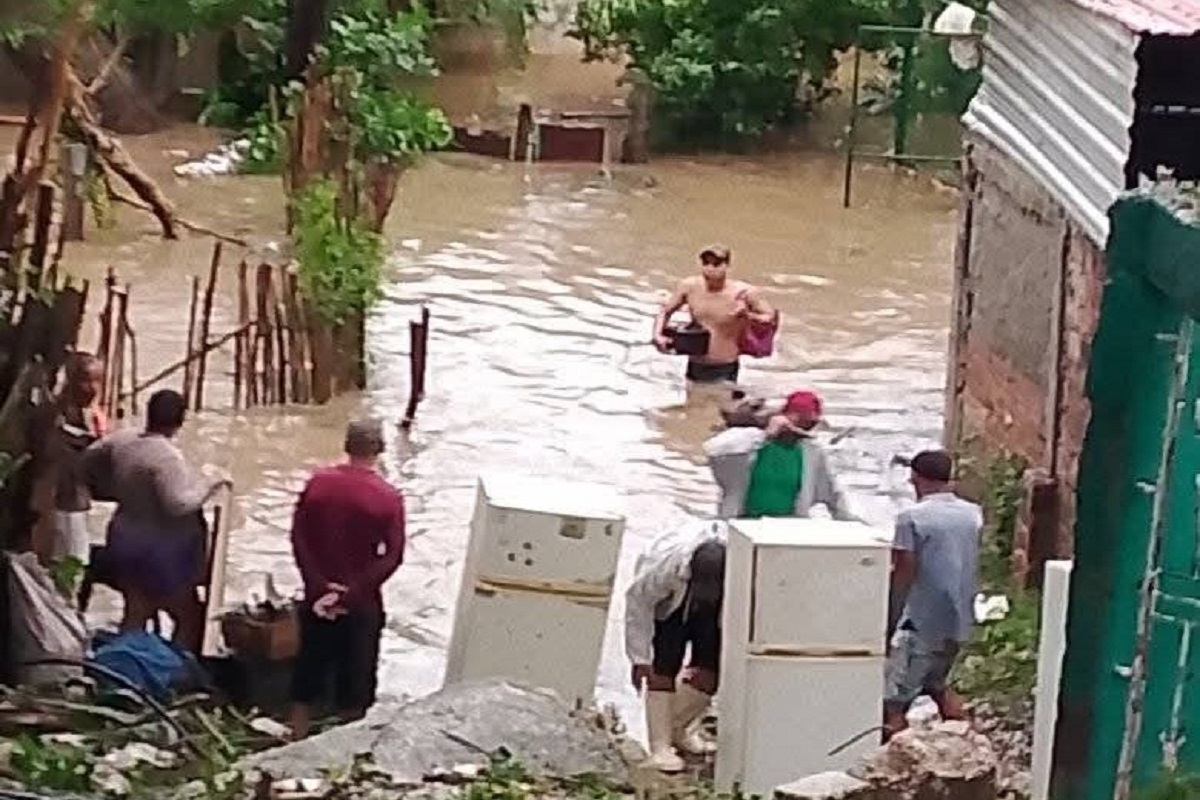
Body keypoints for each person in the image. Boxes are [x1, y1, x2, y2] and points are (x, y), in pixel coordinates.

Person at [80, 389, 229, 653]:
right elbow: (177, 504)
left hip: (123, 538)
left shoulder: (123, 441)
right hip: (156, 552)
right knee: (188, 616)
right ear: (180, 420)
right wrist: (210, 486)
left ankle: (125, 670)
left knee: (135, 610)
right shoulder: (166, 456)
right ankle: (172, 672)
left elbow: (87, 460)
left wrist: (109, 489)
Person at [288, 419, 406, 739]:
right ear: (379, 450)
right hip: (361, 602)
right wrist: (350, 594)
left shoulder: (317, 484)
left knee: (308, 668)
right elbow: (392, 556)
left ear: (346, 446)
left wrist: (318, 587)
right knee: (356, 680)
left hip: (316, 596)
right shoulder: (388, 497)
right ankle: (346, 750)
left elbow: (299, 538)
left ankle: (295, 736)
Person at [884, 449, 982, 740]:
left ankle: (891, 764)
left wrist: (888, 619)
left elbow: (905, 571)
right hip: (960, 617)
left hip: (920, 620)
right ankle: (970, 743)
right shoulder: (972, 514)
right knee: (936, 685)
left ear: (915, 478)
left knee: (894, 701)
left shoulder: (911, 518)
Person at [625, 519, 726, 773]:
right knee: (663, 666)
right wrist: (639, 658)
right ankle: (660, 747)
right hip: (671, 605)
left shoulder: (742, 568)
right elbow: (638, 604)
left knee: (710, 672)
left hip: (717, 613)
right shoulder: (664, 568)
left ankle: (677, 730)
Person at [705, 390, 856, 520]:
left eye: (809, 424)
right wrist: (766, 436)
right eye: (799, 421)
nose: (800, 429)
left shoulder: (812, 453)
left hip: (786, 533)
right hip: (740, 527)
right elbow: (712, 449)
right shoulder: (751, 442)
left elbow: (835, 497)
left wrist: (856, 530)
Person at [653, 245, 775, 385]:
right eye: (706, 263)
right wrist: (658, 335)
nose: (710, 268)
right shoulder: (688, 286)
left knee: (721, 404)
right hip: (695, 363)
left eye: (717, 264)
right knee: (694, 404)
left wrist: (747, 315)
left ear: (727, 266)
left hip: (725, 365)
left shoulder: (744, 292)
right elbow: (665, 311)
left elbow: (769, 318)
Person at [34, 352, 109, 569]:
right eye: (86, 380)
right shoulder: (58, 417)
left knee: (71, 562)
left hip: (74, 501)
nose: (92, 387)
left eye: (97, 381)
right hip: (62, 501)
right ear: (72, 381)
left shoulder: (86, 416)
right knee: (71, 563)